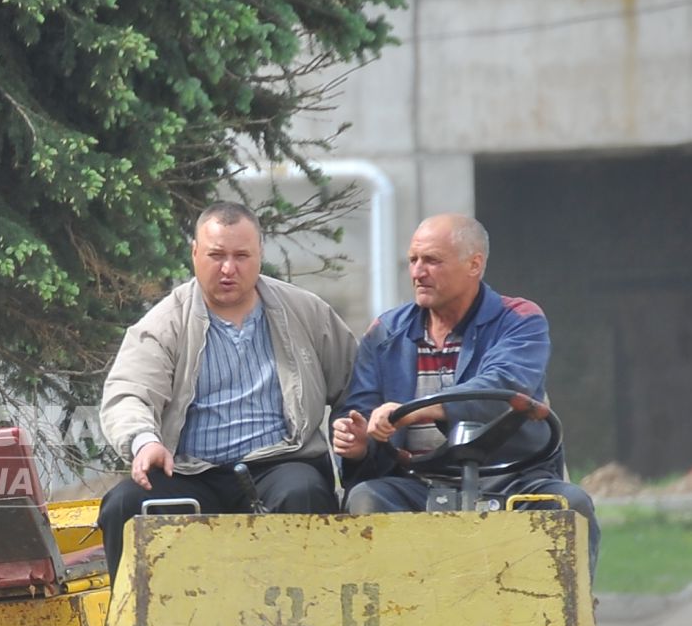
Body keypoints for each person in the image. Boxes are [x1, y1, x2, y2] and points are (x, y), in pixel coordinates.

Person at [98, 202, 358, 577]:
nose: (228, 269)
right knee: (124, 505)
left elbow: (354, 383)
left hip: (280, 464)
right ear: (194, 253)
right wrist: (144, 441)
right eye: (216, 255)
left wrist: (356, 430)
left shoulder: (306, 312)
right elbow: (128, 393)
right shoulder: (164, 323)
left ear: (260, 255)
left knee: (305, 494)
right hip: (190, 472)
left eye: (241, 256)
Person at [332, 213, 599, 564]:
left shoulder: (519, 319)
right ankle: (391, 614)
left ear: (474, 265)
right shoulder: (385, 332)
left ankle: (568, 616)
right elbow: (361, 414)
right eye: (413, 260)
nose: (417, 272)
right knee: (366, 499)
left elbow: (502, 388)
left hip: (510, 482)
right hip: (418, 482)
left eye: (432, 261)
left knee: (571, 505)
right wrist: (359, 443)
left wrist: (411, 412)